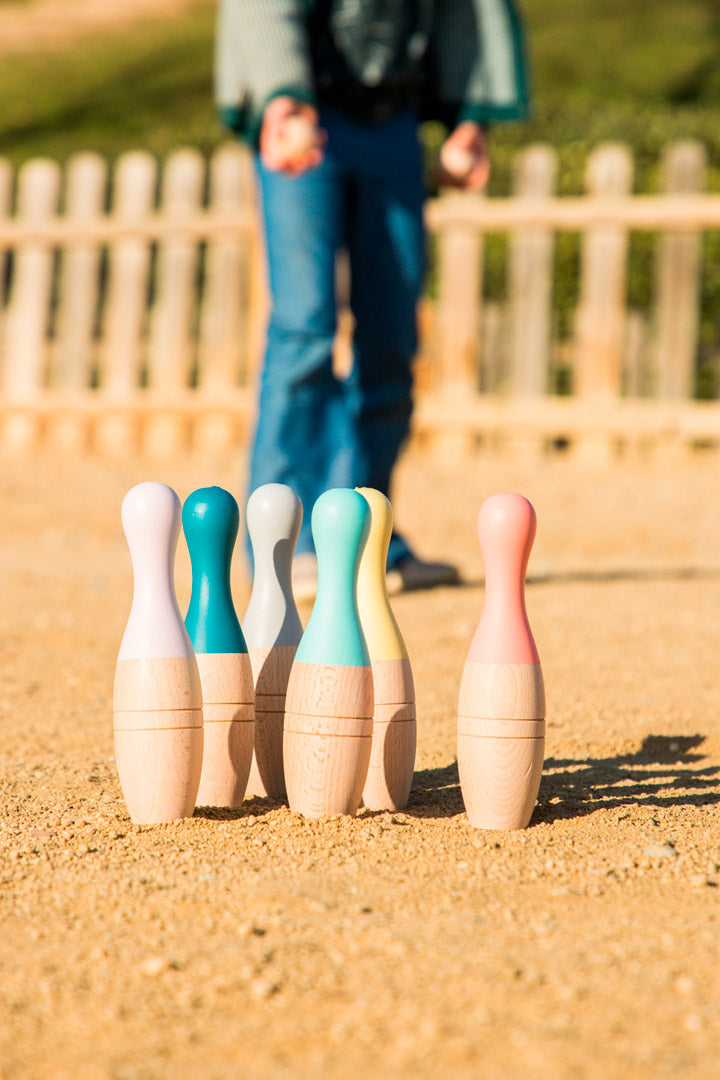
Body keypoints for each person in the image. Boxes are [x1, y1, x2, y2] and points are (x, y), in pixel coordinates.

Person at [215, 0, 530, 598]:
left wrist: (470, 115)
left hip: (394, 125)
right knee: (305, 327)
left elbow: (468, 11)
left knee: (391, 336)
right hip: (310, 113)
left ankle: (366, 533)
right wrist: (282, 93)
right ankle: (286, 540)